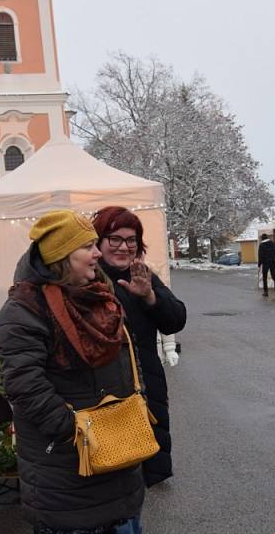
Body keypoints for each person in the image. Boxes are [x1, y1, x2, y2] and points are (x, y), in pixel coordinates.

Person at [0, 209, 145, 534]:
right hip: (68, 468)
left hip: (120, 454)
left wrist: (136, 399)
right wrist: (73, 431)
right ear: (62, 256)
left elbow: (125, 355)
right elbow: (24, 386)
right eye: (88, 246)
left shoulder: (99, 296)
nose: (97, 253)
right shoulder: (25, 309)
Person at [92, 206, 187, 487]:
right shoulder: (88, 280)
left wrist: (150, 297)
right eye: (115, 239)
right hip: (106, 389)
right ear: (98, 242)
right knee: (114, 472)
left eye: (131, 240)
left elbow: (176, 319)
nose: (124, 247)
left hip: (148, 382)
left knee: (145, 467)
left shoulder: (142, 275)